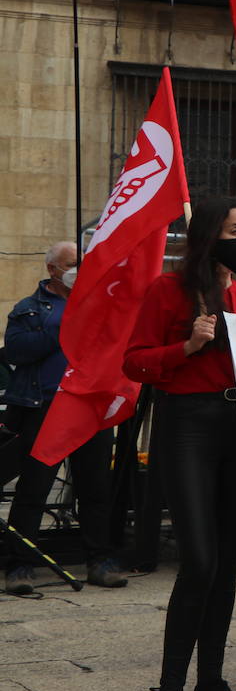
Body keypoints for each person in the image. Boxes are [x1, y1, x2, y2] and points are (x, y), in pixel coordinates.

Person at [123, 197, 236, 691]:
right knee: (200, 561)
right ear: (210, 234)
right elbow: (134, 362)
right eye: (235, 230)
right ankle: (170, 686)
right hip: (187, 423)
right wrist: (186, 347)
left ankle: (211, 679)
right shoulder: (167, 291)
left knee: (225, 557)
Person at [2, 241, 125, 594]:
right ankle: (20, 564)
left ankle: (100, 560)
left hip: (91, 408)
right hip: (46, 408)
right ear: (53, 270)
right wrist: (65, 326)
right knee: (34, 489)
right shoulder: (31, 308)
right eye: (72, 265)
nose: (79, 271)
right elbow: (16, 351)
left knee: (95, 489)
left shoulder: (101, 304)